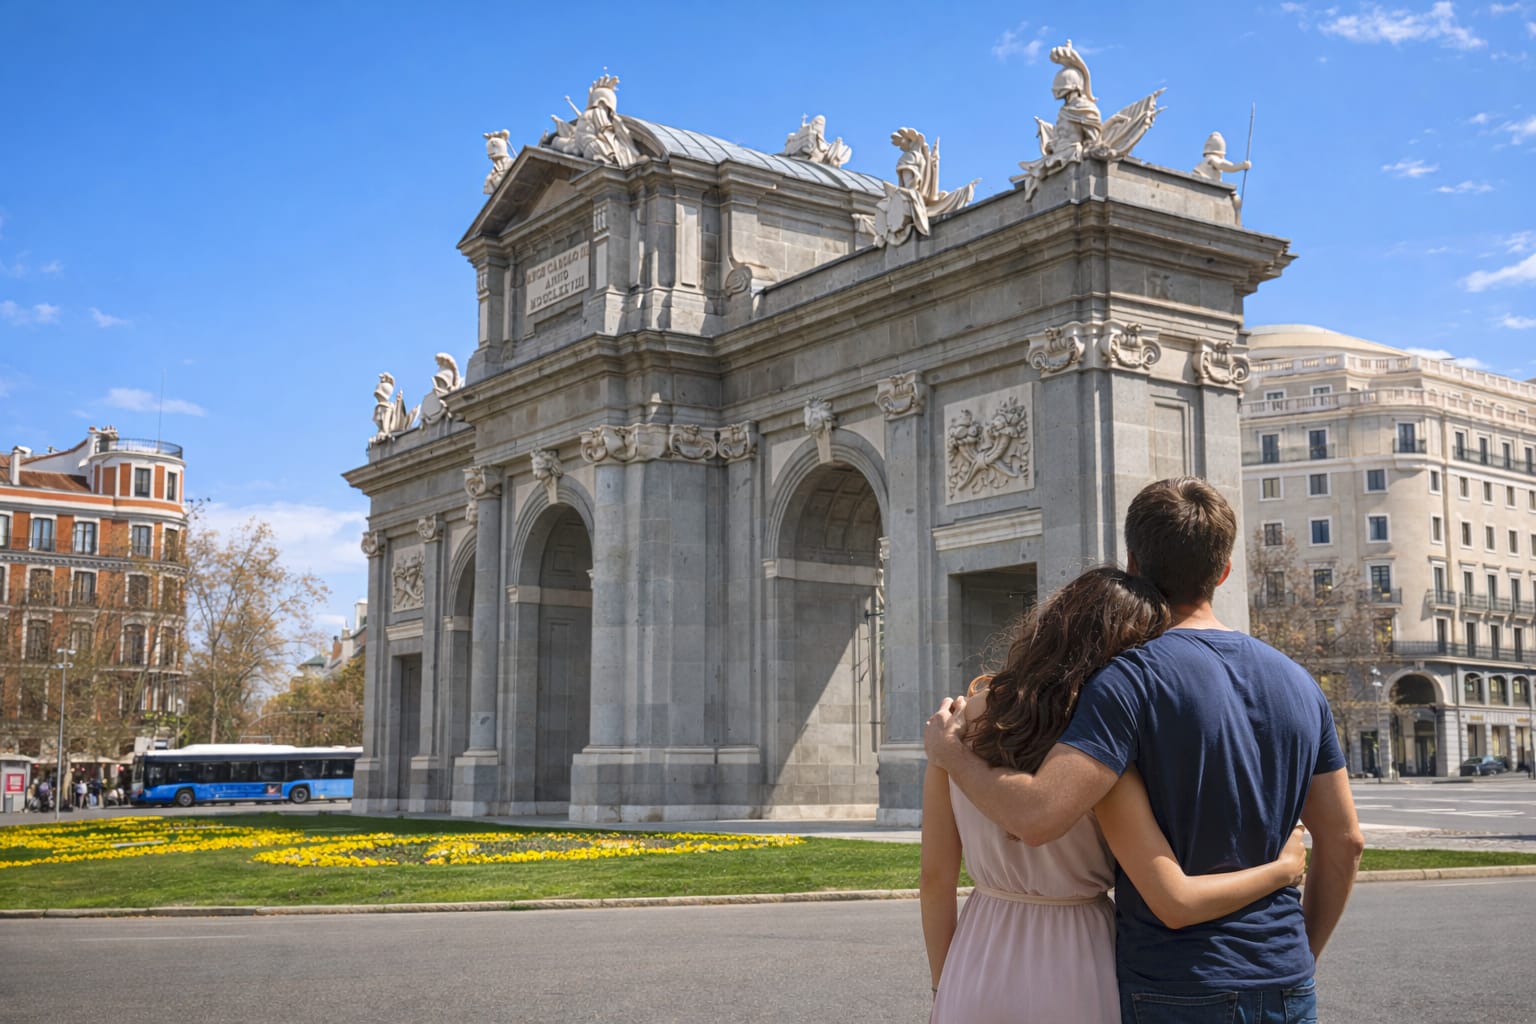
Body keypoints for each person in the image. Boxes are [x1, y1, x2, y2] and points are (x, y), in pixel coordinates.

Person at [926, 477, 1364, 1023]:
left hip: (1174, 981)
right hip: (1286, 977)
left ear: (1132, 563)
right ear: (1224, 571)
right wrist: (1299, 956)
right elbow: (1344, 841)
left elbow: (1039, 814)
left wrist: (953, 755)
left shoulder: (1126, 680)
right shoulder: (1300, 683)